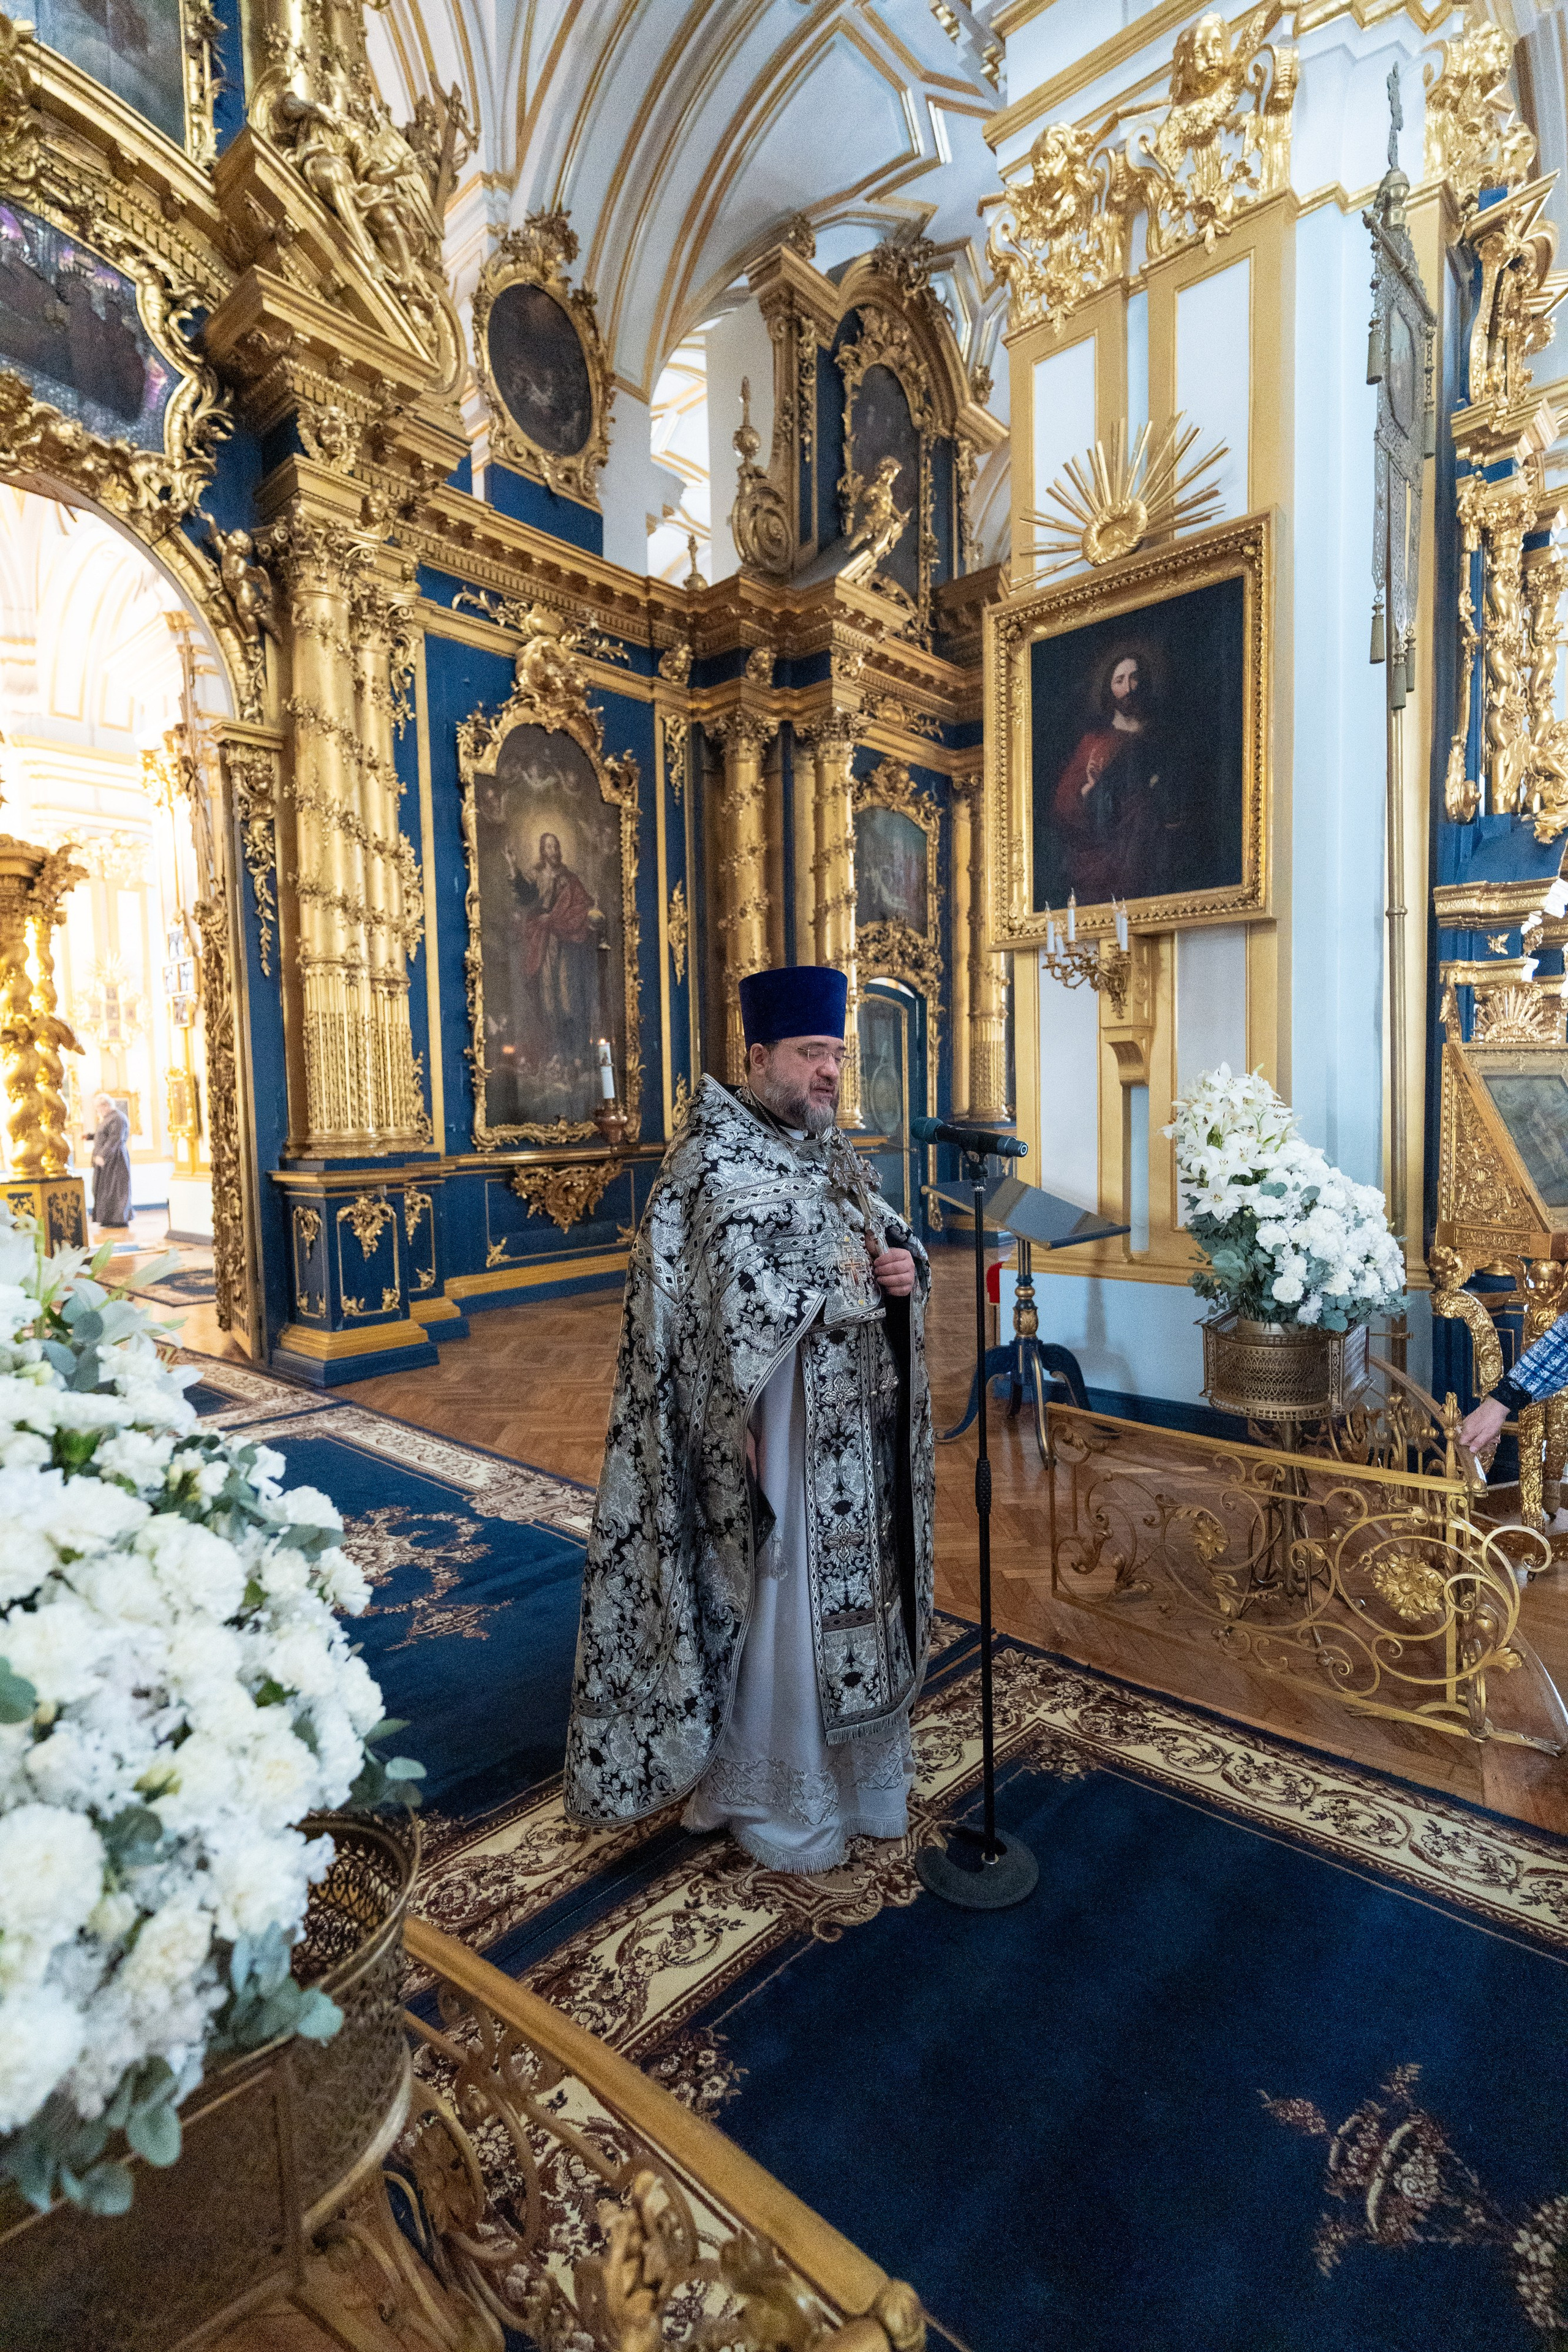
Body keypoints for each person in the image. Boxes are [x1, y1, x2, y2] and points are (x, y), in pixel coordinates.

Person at [564, 964, 934, 1874]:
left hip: (851, 1436)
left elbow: (880, 1239)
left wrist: (903, 1274)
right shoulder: (707, 1165)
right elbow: (712, 1314)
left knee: (846, 1606)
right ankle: (774, 1783)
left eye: (838, 1055)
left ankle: (855, 1783)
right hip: (769, 1451)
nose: (831, 1074)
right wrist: (830, 1294)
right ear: (760, 1055)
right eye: (814, 1054)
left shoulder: (829, 1154)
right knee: (783, 1605)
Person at [1050, 642, 1178, 905]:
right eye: (1120, 680)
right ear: (1109, 688)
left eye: (1135, 678)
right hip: (1104, 852)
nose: (1129, 688)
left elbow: (1177, 796)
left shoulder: (1164, 737)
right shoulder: (1095, 743)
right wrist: (1088, 793)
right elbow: (1065, 804)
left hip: (1151, 848)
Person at [508, 829, 603, 1068]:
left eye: (555, 846)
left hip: (567, 942)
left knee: (568, 995)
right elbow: (525, 896)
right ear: (543, 851)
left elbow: (582, 903)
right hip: (543, 941)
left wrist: (558, 917)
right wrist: (512, 865)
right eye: (547, 847)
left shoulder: (569, 878)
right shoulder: (537, 874)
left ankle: (575, 1053)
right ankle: (557, 1052)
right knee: (547, 996)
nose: (552, 851)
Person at [85, 1092, 131, 1232]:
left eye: (98, 1108)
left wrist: (103, 1155)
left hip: (115, 1160)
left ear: (105, 1105)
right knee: (104, 1189)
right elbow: (104, 1135)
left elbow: (115, 1139)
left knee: (115, 1190)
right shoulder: (108, 1118)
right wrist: (90, 1137)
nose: (98, 1111)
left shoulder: (118, 1118)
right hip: (106, 1160)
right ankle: (108, 1218)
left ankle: (118, 1220)